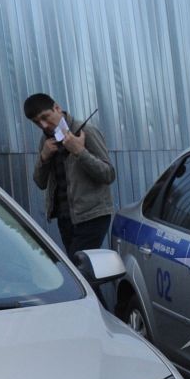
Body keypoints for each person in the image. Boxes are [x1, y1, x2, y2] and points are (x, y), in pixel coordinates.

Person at [24, 92, 116, 265]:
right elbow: (40, 182)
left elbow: (108, 174)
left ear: (57, 108)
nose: (43, 125)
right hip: (65, 218)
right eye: (37, 122)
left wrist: (80, 152)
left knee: (79, 272)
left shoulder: (85, 131)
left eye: (46, 117)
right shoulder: (46, 140)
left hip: (92, 216)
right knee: (83, 275)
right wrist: (43, 157)